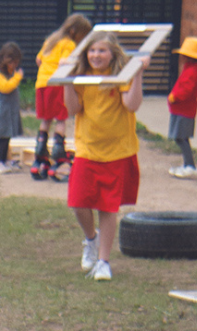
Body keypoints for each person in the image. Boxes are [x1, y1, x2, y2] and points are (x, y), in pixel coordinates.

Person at [63, 31, 149, 281]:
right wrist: (67, 80)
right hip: (88, 149)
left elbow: (132, 105)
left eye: (102, 50)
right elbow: (72, 109)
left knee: (107, 208)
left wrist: (138, 74)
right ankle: (91, 239)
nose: (96, 55)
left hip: (116, 151)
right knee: (78, 204)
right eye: (92, 50)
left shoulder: (120, 76)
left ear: (112, 53)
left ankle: (103, 261)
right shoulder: (82, 77)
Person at [32, 13, 92, 182]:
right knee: (61, 119)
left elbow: (38, 60)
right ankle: (59, 154)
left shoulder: (51, 39)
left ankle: (40, 151)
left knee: (46, 120)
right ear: (74, 31)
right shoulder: (68, 44)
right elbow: (65, 63)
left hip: (41, 84)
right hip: (56, 85)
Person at [167, 37, 197, 179]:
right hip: (182, 110)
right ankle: (188, 164)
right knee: (181, 137)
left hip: (183, 110)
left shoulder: (192, 72)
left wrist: (175, 96)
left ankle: (190, 165)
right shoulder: (192, 69)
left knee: (181, 138)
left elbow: (186, 89)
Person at [0, 41, 24, 174]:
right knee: (2, 137)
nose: (14, 65)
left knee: (7, 137)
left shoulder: (9, 73)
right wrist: (17, 78)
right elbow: (6, 87)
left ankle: (3, 160)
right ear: (5, 60)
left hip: (10, 111)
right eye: (12, 62)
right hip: (3, 112)